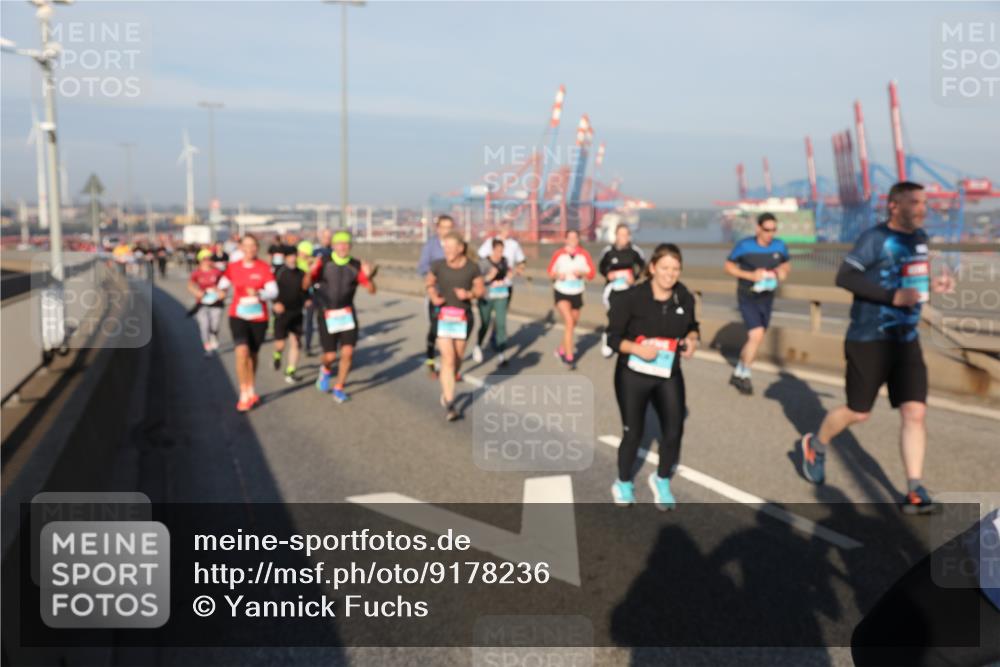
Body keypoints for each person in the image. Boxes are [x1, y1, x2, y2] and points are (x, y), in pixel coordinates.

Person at [798, 182, 955, 514]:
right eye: (915, 202)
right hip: (868, 338)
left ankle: (914, 489)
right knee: (859, 412)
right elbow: (845, 277)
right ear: (894, 206)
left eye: (924, 202)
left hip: (905, 338)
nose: (922, 208)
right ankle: (816, 444)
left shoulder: (920, 239)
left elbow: (912, 280)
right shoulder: (874, 239)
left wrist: (934, 285)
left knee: (915, 411)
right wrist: (891, 297)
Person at [606, 243, 699, 510]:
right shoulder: (631, 298)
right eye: (665, 268)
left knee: (673, 431)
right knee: (633, 432)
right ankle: (623, 482)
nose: (670, 274)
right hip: (632, 374)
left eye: (676, 269)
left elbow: (693, 328)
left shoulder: (684, 297)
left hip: (668, 372)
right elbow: (612, 339)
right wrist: (636, 348)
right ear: (653, 268)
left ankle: (661, 480)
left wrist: (692, 341)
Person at [303, 231, 377, 403]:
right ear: (333, 246)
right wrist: (309, 272)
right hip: (326, 314)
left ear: (350, 246)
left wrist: (368, 276)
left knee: (348, 353)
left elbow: (372, 291)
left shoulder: (356, 265)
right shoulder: (324, 262)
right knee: (329, 356)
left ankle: (339, 387)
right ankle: (326, 369)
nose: (343, 247)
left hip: (346, 314)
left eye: (346, 244)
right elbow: (305, 285)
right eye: (339, 243)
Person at [723, 212, 791, 395]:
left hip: (767, 297)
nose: (770, 234)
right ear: (758, 229)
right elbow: (728, 266)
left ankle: (738, 371)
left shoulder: (779, 246)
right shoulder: (745, 246)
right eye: (767, 230)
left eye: (773, 230)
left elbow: (786, 263)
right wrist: (750, 276)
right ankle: (745, 376)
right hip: (747, 296)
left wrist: (782, 272)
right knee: (757, 335)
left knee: (756, 337)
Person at [216, 235, 278, 412]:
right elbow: (223, 285)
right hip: (238, 315)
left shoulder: (264, 267)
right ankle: (243, 393)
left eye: (253, 246)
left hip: (259, 317)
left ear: (257, 248)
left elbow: (273, 291)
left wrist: (259, 294)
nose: (249, 249)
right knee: (241, 352)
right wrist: (220, 292)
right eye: (246, 246)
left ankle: (251, 387)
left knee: (253, 355)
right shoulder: (233, 267)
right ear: (240, 248)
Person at [426, 231, 484, 421]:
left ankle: (449, 382)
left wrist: (468, 295)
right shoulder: (438, 266)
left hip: (463, 318)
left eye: (451, 247)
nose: (447, 251)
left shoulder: (472, 268)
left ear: (461, 248)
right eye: (445, 248)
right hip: (443, 317)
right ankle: (450, 402)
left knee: (457, 359)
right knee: (448, 358)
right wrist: (434, 296)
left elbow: (480, 289)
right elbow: (429, 283)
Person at [547, 229, 596, 369]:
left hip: (577, 292)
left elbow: (592, 274)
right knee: (568, 321)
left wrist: (582, 272)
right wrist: (558, 275)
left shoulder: (584, 254)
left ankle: (561, 349)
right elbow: (550, 272)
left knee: (572, 324)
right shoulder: (559, 254)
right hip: (561, 291)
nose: (573, 240)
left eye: (575, 237)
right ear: (566, 240)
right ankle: (569, 357)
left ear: (578, 239)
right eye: (570, 237)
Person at [598, 223, 646, 358]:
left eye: (626, 234)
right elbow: (601, 268)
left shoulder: (635, 251)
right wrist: (608, 274)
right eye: (621, 234)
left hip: (629, 289)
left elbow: (643, 267)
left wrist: (634, 278)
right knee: (614, 316)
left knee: (629, 317)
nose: (623, 237)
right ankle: (608, 339)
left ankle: (625, 343)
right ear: (616, 235)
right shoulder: (608, 251)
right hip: (612, 290)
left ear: (629, 236)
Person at [417, 215, 454, 378]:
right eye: (444, 227)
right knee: (436, 329)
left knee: (454, 331)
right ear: (438, 228)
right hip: (436, 293)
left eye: (450, 227)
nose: (447, 231)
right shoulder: (431, 246)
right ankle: (431, 359)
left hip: (454, 295)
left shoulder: (458, 244)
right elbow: (422, 267)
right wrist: (436, 275)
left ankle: (452, 365)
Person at [271, 249, 307, 384]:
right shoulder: (279, 272)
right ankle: (277, 354)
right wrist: (275, 303)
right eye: (290, 257)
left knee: (296, 343)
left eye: (294, 256)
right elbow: (270, 290)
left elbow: (305, 291)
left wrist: (307, 300)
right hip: (282, 312)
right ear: (285, 258)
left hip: (297, 312)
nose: (292, 259)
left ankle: (290, 371)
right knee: (280, 344)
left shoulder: (301, 273)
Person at [473, 239, 511, 366]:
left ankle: (501, 354)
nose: (500, 253)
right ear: (492, 250)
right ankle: (478, 345)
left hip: (501, 296)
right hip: (486, 297)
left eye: (502, 251)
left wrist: (510, 275)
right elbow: (475, 281)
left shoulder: (504, 261)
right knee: (485, 323)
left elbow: (507, 274)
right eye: (497, 250)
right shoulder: (483, 263)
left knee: (501, 324)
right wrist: (488, 277)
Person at [187, 248, 225, 357]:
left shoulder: (217, 271)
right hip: (202, 303)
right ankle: (207, 347)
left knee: (215, 325)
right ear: (200, 260)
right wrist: (197, 292)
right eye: (205, 258)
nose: (207, 260)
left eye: (210, 258)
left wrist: (221, 292)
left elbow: (225, 285)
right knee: (204, 325)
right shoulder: (196, 272)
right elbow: (190, 285)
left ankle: (214, 336)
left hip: (216, 303)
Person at [296, 240, 318, 356]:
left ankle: (308, 346)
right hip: (296, 296)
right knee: (298, 321)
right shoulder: (294, 262)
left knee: (309, 321)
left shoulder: (313, 262)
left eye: (305, 253)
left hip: (310, 294)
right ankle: (297, 340)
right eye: (301, 252)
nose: (302, 254)